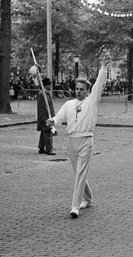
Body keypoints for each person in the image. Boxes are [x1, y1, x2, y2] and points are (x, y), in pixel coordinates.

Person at [46, 58, 108, 218]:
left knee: (80, 173)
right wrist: (53, 121)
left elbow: (99, 84)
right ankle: (88, 198)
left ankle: (75, 207)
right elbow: (58, 118)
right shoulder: (68, 104)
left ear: (87, 91)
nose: (78, 91)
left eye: (82, 89)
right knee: (78, 173)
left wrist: (103, 67)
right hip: (71, 141)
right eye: (77, 89)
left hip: (86, 140)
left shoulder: (92, 102)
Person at [37, 77, 56, 155]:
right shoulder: (42, 94)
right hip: (45, 117)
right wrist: (45, 118)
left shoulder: (45, 93)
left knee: (43, 132)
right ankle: (49, 149)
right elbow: (42, 107)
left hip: (47, 116)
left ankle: (41, 148)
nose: (51, 86)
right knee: (47, 132)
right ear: (46, 85)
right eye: (49, 84)